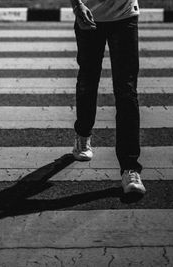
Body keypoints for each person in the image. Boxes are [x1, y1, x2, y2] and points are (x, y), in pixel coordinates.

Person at [70, 0, 146, 194]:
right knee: (88, 80)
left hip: (125, 16)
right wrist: (77, 5)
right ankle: (83, 134)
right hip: (89, 14)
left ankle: (130, 167)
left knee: (126, 91)